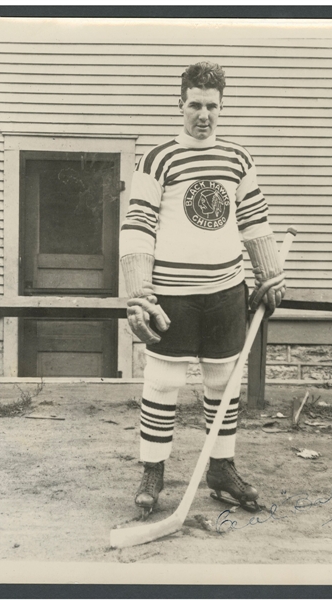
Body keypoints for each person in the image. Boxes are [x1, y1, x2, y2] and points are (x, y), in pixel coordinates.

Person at [120, 61, 285, 518]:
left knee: (222, 383)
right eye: (195, 104)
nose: (204, 114)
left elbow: (254, 220)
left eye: (212, 106)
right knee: (163, 382)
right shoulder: (158, 158)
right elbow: (138, 224)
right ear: (180, 105)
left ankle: (221, 469)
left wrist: (271, 274)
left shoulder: (238, 158)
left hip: (226, 291)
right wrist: (139, 292)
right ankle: (153, 472)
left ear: (221, 107)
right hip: (172, 294)